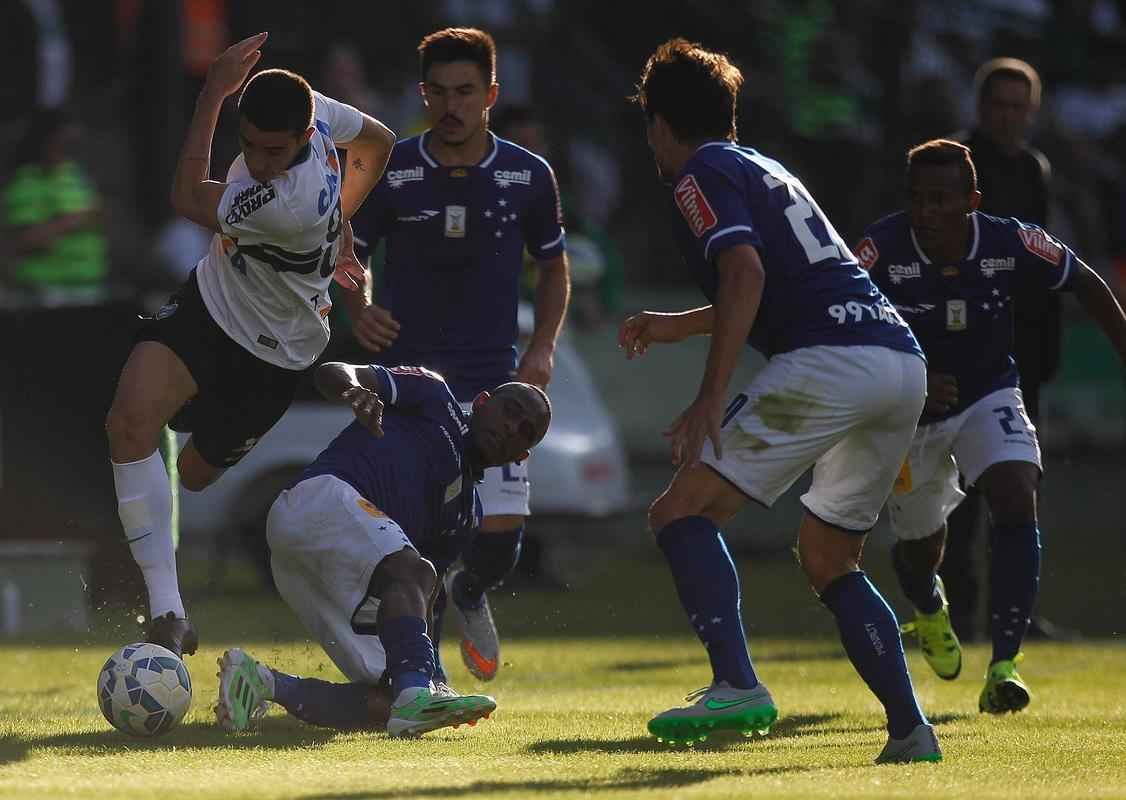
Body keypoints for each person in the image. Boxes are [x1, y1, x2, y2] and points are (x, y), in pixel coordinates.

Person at [618, 39, 938, 764]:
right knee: (829, 556)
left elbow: (746, 272)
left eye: (649, 127)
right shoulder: (765, 166)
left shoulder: (698, 173)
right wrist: (679, 326)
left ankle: (735, 682)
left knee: (680, 512)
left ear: (660, 123)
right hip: (897, 361)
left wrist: (710, 393)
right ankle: (911, 731)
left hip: (830, 364)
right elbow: (787, 283)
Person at [104, 32, 396, 657]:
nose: (259, 161)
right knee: (127, 424)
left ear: (304, 134)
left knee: (193, 475)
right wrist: (345, 219)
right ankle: (168, 612)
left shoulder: (286, 205)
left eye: (274, 151)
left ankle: (161, 451)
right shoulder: (314, 108)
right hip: (211, 305)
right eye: (250, 145)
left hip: (274, 355)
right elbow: (378, 142)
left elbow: (187, 196)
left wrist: (212, 91)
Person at [859, 139, 1126, 713]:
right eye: (917, 199)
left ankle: (1004, 665)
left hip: (988, 394)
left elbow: (1087, 282)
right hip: (909, 415)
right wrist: (908, 380)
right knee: (919, 549)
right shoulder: (879, 249)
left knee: (1015, 492)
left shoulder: (1010, 241)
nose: (926, 212)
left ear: (971, 201)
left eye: (940, 199)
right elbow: (840, 322)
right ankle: (929, 606)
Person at [349, 28, 570, 684]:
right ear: (423, 94)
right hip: (411, 383)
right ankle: (426, 678)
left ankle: (472, 589)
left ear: (491, 95)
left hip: (492, 385)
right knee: (420, 540)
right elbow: (350, 254)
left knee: (499, 538)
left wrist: (543, 348)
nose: (452, 106)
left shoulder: (529, 175)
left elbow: (554, 267)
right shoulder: (391, 169)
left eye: (466, 92)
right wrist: (359, 307)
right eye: (439, 92)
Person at [214, 361, 551, 736]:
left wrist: (433, 676)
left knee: (387, 697)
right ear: (483, 402)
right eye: (511, 411)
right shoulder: (436, 397)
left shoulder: (467, 515)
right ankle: (414, 698)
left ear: (522, 457)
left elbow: (427, 599)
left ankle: (261, 683)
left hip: (323, 564)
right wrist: (354, 389)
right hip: (318, 501)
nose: (512, 428)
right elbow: (332, 371)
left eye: (525, 431)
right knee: (414, 575)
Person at [947, 58, 1057, 641]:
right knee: (956, 491)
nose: (1011, 117)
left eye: (1021, 107)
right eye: (1002, 105)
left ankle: (1012, 610)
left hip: (1020, 352)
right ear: (981, 107)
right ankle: (956, 609)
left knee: (1017, 483)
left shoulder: (1034, 169)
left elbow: (1044, 263)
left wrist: (1044, 345)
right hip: (960, 348)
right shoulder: (953, 164)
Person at [2, 108, 106, 298]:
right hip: (45, 290)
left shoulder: (76, 178)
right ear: (46, 142)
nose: (68, 151)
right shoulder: (26, 183)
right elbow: (23, 241)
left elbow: (96, 220)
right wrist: (73, 221)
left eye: (73, 145)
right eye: (63, 143)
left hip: (89, 286)